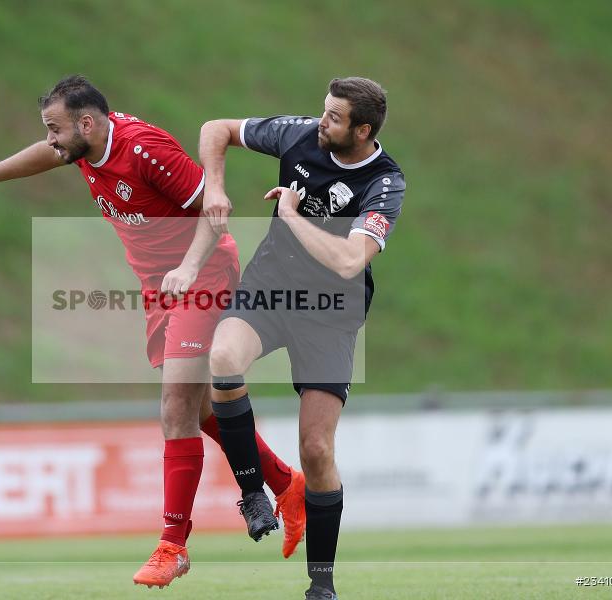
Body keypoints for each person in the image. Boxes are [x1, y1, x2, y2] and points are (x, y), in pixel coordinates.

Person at [0, 75, 306, 589]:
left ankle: (172, 546)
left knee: (174, 408)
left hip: (200, 275)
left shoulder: (145, 150)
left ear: (87, 124)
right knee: (200, 409)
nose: (50, 139)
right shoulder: (83, 146)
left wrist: (187, 268)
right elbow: (48, 154)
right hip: (159, 287)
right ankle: (287, 485)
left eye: (55, 128)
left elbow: (214, 211)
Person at [198, 76, 406, 600]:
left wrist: (290, 214)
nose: (322, 122)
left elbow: (349, 260)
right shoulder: (298, 134)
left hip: (330, 314)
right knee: (223, 357)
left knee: (315, 450)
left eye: (335, 117)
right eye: (324, 110)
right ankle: (253, 493)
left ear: (363, 130)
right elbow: (216, 128)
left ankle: (321, 585)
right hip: (270, 289)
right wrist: (215, 187)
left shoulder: (384, 182)